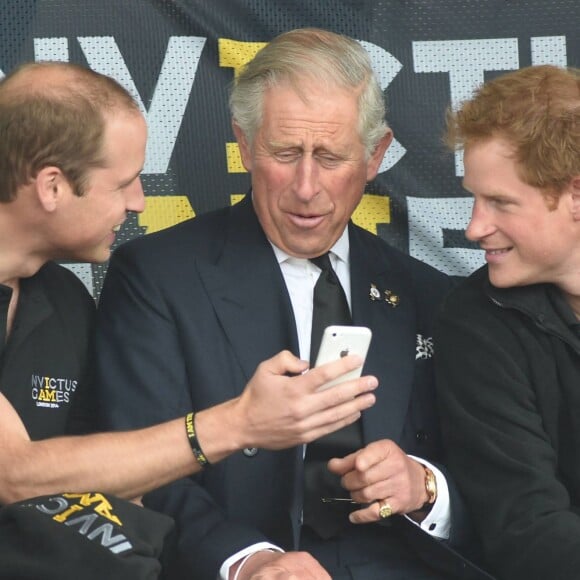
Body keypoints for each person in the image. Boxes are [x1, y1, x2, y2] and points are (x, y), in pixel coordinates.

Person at [94, 28, 491, 580]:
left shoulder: (429, 293)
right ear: (245, 144)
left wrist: (425, 486)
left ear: (375, 155)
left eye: (330, 156)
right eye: (286, 153)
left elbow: (505, 485)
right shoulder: (157, 277)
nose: (307, 187)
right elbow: (134, 468)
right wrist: (247, 561)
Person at [0, 61, 379, 508]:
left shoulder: (65, 301)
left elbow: (110, 481)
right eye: (123, 183)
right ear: (51, 188)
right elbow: (14, 477)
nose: (139, 202)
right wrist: (238, 422)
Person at [434, 64, 580, 580]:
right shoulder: (475, 324)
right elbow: (528, 531)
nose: (475, 228)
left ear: (576, 196)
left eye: (500, 202)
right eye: (474, 198)